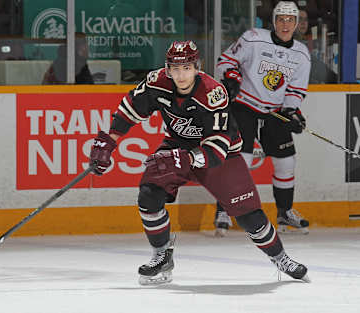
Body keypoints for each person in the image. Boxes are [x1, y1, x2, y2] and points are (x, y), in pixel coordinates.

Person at [88, 40, 309, 285]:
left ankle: (280, 258)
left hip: (223, 154)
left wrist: (184, 159)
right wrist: (109, 141)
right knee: (149, 195)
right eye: (175, 68)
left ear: (197, 67)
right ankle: (161, 256)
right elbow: (129, 110)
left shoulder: (213, 93)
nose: (181, 75)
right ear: (167, 68)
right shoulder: (156, 82)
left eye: (187, 68)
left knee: (249, 216)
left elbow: (216, 147)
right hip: (178, 144)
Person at [214, 1, 311, 236]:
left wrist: (292, 112)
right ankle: (225, 210)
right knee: (241, 161)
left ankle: (285, 212)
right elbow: (225, 61)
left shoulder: (301, 53)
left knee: (286, 162)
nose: (285, 24)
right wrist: (232, 77)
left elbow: (296, 90)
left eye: (290, 20)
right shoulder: (253, 38)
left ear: (297, 24)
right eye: (281, 19)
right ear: (274, 21)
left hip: (274, 111)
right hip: (244, 106)